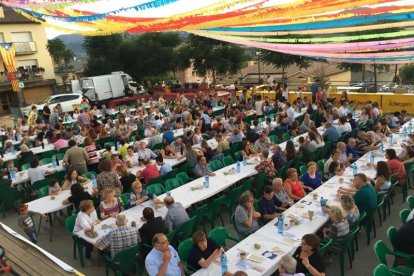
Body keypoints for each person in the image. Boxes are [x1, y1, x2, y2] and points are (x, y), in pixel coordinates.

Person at [73, 200, 100, 265]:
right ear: (88, 209)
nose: (94, 207)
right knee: (89, 243)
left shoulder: (93, 211)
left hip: (90, 230)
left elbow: (96, 220)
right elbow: (86, 227)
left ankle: (100, 252)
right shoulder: (81, 215)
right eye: (92, 206)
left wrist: (95, 222)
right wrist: (95, 223)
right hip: (79, 233)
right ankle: (87, 257)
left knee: (100, 237)